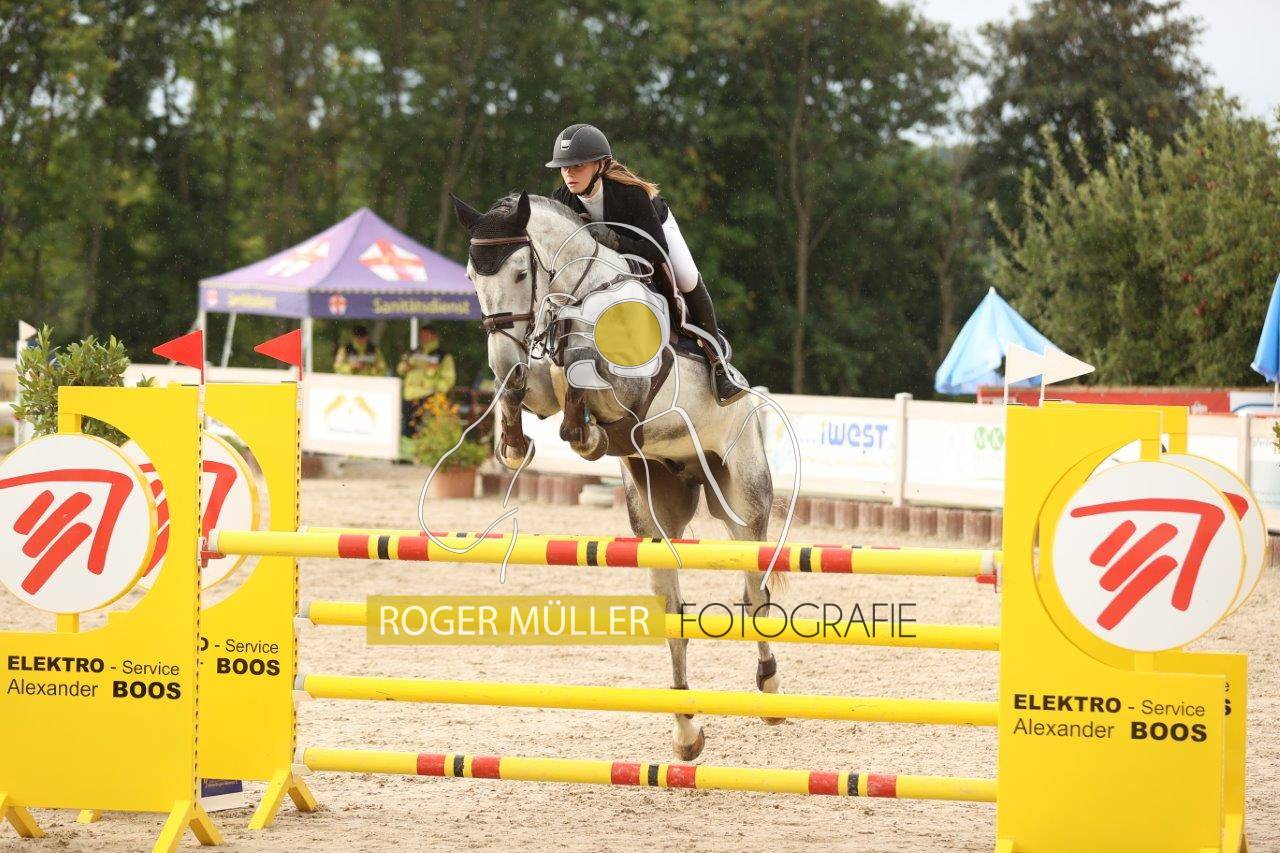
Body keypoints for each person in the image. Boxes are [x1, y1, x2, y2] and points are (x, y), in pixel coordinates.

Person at [546, 123, 746, 406]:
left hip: (655, 232)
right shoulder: (561, 200)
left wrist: (615, 241)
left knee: (686, 277)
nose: (569, 173)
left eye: (577, 165)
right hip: (607, 260)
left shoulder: (630, 193)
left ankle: (719, 365)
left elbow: (656, 249)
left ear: (600, 165)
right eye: (564, 167)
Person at [396, 323, 457, 436]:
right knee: (407, 429)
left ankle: (423, 446)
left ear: (434, 336)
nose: (423, 337)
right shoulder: (413, 352)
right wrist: (406, 367)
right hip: (409, 395)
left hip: (429, 397)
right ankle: (409, 446)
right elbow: (400, 369)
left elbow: (449, 378)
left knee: (427, 429)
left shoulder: (443, 356)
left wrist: (437, 392)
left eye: (426, 335)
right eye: (421, 335)